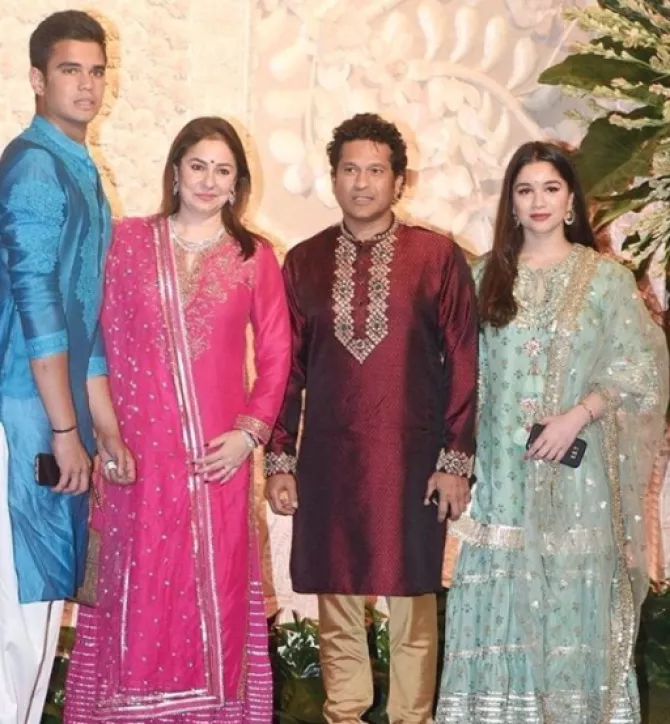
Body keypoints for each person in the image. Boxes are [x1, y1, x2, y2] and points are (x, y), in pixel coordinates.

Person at [64, 116, 291, 723]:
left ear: (238, 183)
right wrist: (104, 432)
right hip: (134, 458)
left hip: (214, 461)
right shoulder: (127, 242)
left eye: (223, 170)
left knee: (210, 590)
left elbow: (277, 355)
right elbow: (93, 340)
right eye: (198, 166)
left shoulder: (254, 256)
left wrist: (248, 434)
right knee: (136, 586)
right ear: (175, 171)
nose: (209, 181)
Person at [435, 141, 669, 724]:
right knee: (499, 606)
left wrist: (579, 413)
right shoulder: (482, 277)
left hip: (577, 483)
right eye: (524, 190)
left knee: (571, 607)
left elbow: (642, 368)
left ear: (570, 201)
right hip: (501, 482)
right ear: (511, 204)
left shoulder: (605, 280)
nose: (537, 201)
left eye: (550, 188)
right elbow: (455, 377)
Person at [265, 113, 478, 723]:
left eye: (376, 171)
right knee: (336, 594)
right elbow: (286, 370)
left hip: (412, 459)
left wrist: (455, 460)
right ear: (333, 178)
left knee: (412, 596)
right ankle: (345, 713)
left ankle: (412, 716)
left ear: (399, 181)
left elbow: (465, 363)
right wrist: (279, 458)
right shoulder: (304, 262)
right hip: (330, 459)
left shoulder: (436, 257)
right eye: (350, 170)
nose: (362, 183)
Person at [0, 12, 134, 724]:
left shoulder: (78, 167)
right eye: (69, 70)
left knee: (40, 616)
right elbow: (38, 307)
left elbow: (88, 311)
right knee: (14, 623)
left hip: (53, 414)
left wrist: (103, 427)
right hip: (21, 416)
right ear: (36, 78)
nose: (86, 84)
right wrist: (63, 430)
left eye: (96, 71)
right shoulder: (33, 167)